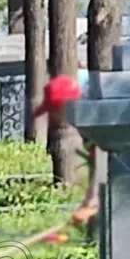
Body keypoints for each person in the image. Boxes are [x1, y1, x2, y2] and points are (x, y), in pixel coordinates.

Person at [34, 74, 103, 226]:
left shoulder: (94, 122)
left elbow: (104, 159)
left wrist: (93, 202)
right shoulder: (84, 122)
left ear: (66, 106)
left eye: (53, 110)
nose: (51, 116)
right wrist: (88, 201)